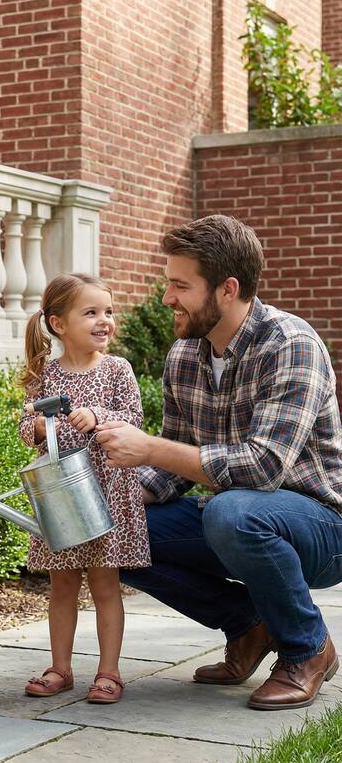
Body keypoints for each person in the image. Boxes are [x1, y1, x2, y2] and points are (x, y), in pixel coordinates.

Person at [95, 214, 342, 710]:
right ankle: (248, 627)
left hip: (321, 526)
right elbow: (171, 466)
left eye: (180, 286)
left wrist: (147, 446)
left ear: (227, 289)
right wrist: (108, 498)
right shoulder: (185, 355)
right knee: (112, 529)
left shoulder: (291, 345)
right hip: (235, 516)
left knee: (233, 511)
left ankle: (306, 647)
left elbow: (264, 468)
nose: (167, 299)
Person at [18, 273, 150, 704]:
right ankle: (60, 667)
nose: (104, 321)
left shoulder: (117, 369)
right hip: (63, 495)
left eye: (108, 312)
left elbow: (134, 418)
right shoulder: (47, 374)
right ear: (58, 324)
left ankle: (109, 671)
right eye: (91, 312)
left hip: (107, 491)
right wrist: (37, 425)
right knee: (61, 586)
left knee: (106, 584)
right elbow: (25, 423)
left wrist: (96, 414)